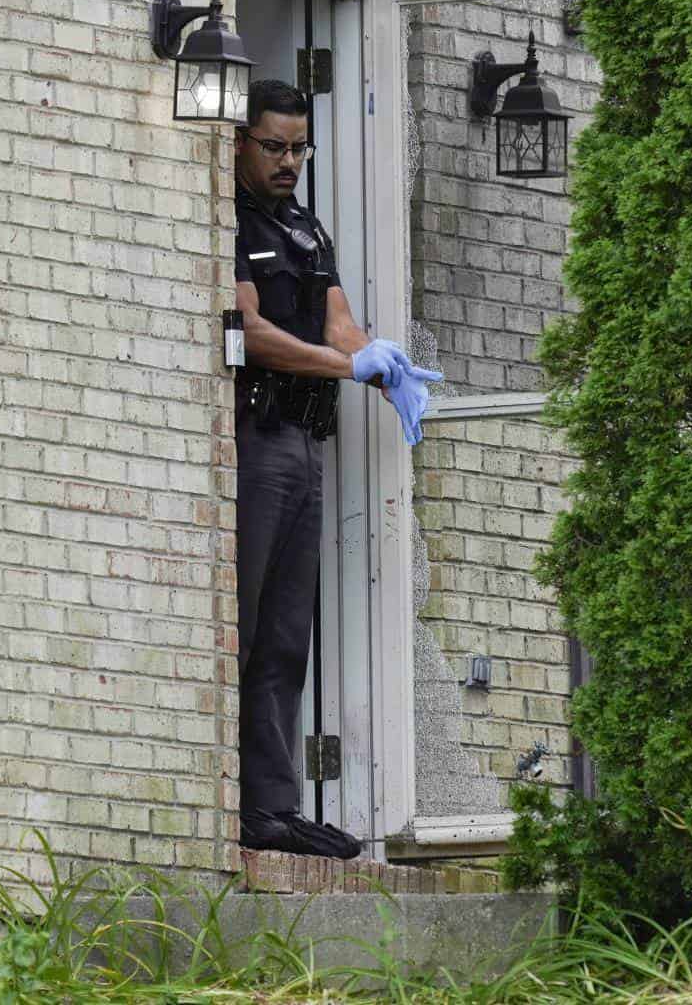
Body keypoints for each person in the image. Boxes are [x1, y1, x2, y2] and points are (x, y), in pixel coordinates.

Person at [233, 80, 441, 858]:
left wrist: (380, 363)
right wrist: (342, 367)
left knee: (288, 635)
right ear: (240, 143)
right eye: (274, 147)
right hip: (256, 438)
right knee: (243, 625)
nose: (289, 162)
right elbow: (249, 330)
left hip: (304, 443)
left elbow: (340, 324)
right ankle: (232, 804)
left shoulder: (303, 226)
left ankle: (274, 808)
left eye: (300, 148)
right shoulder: (228, 218)